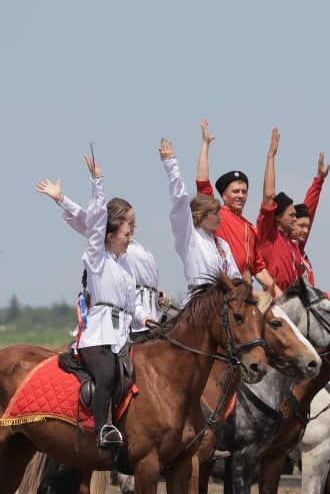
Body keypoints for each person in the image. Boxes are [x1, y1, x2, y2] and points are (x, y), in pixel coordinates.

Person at [38, 152, 143, 454]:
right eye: (125, 233)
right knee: (108, 374)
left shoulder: (125, 265)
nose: (129, 239)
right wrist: (97, 182)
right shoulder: (97, 257)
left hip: (124, 331)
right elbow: (94, 222)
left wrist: (145, 319)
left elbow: (131, 304)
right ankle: (102, 431)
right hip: (98, 336)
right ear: (109, 236)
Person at [38, 174, 166, 336]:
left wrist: (156, 293)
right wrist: (61, 199)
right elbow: (90, 221)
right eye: (131, 221)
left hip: (147, 315)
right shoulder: (108, 245)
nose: (135, 225)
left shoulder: (130, 248)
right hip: (123, 324)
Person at [194, 119, 280, 295]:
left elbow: (259, 268)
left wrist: (282, 297)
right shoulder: (217, 215)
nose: (241, 195)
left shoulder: (250, 228)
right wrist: (205, 145)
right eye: (236, 191)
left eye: (244, 191)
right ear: (224, 195)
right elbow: (202, 182)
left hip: (244, 292)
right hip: (221, 291)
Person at [160, 138, 241, 300]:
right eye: (215, 213)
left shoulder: (222, 244)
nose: (220, 216)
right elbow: (181, 202)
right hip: (198, 303)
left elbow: (234, 276)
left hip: (222, 303)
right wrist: (171, 166)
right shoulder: (189, 237)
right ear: (201, 216)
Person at [256, 138, 330, 291]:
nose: (295, 219)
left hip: (296, 304)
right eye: (291, 215)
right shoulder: (268, 237)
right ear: (277, 217)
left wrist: (319, 180)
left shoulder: (294, 244)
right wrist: (271, 156)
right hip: (276, 303)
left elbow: (307, 211)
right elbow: (269, 196)